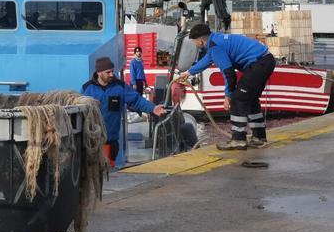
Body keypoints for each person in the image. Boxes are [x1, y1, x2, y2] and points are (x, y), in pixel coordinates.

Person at [176, 22, 275, 150]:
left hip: (259, 64)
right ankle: (259, 137)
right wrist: (188, 73)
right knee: (250, 99)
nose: (195, 45)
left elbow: (229, 74)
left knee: (238, 99)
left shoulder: (215, 47)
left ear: (200, 41)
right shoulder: (216, 40)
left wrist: (228, 96)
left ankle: (238, 139)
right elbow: (206, 60)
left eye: (194, 42)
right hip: (265, 61)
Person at [82, 56, 166, 167]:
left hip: (110, 142)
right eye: (108, 72)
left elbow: (136, 100)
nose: (112, 74)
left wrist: (153, 108)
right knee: (92, 173)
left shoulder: (120, 87)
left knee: (108, 174)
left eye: (112, 71)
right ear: (99, 73)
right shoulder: (87, 89)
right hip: (92, 142)